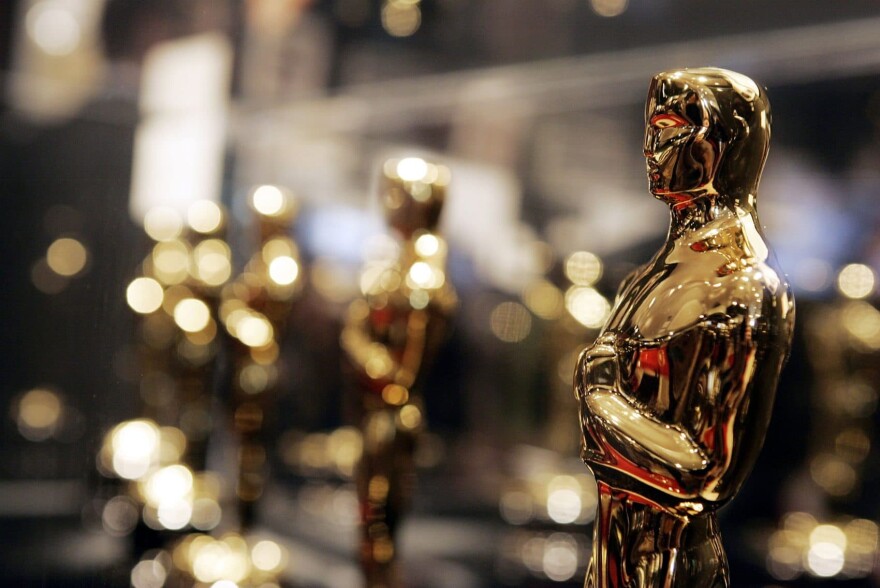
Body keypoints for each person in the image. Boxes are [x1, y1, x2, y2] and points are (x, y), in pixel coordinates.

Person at [576, 68, 795, 587]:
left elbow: (704, 474)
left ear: (723, 143)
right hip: (612, 552)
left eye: (671, 129)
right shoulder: (644, 279)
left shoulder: (742, 286)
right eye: (650, 130)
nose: (651, 148)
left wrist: (600, 398)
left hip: (669, 563)